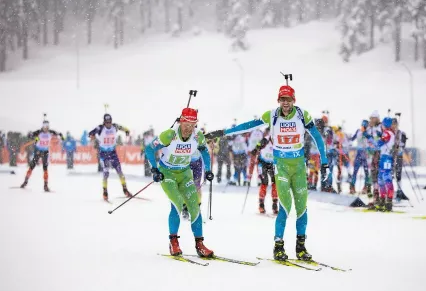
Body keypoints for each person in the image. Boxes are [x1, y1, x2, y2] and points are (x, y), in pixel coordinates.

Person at [205, 84, 328, 261]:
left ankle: (301, 247)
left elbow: (317, 137)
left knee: (301, 208)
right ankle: (278, 246)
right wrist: (223, 132)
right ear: (278, 100)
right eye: (282, 99)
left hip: (299, 167)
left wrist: (324, 162)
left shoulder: (302, 115)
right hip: (282, 166)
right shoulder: (272, 115)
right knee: (285, 206)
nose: (285, 103)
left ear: (294, 100)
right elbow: (248, 126)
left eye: (289, 99)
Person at [145, 107, 214, 257]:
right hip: (167, 173)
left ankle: (199, 244)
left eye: (192, 125)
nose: (189, 128)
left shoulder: (198, 136)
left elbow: (204, 151)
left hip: (184, 173)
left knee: (194, 206)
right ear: (181, 121)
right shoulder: (169, 135)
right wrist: (154, 169)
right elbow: (149, 149)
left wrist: (208, 169)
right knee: (176, 203)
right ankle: (173, 242)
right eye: (186, 124)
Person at [89, 114, 132, 201]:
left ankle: (125, 189)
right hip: (103, 153)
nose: (108, 124)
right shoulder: (100, 128)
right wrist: (92, 138)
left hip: (112, 152)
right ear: (104, 122)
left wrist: (127, 131)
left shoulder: (115, 126)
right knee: (106, 172)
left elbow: (125, 129)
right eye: (107, 122)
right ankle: (105, 191)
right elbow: (90, 133)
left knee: (120, 171)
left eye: (109, 122)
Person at [20, 121, 63, 191]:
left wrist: (61, 135)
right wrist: (32, 135)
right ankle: (25, 182)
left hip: (45, 152)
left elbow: (59, 134)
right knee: (32, 166)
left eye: (47, 126)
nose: (46, 127)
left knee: (45, 168)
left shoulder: (51, 132)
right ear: (43, 126)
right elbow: (30, 135)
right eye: (45, 126)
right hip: (38, 151)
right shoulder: (39, 132)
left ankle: (45, 185)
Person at [365, 118, 395, 211]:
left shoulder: (387, 133)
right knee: (380, 179)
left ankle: (388, 202)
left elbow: (378, 144)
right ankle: (382, 200)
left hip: (386, 158)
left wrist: (369, 137)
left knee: (386, 178)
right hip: (384, 157)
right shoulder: (388, 133)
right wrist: (380, 135)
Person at [250, 131, 278, 214]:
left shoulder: (279, 140)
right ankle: (261, 205)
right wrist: (255, 150)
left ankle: (275, 204)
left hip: (273, 164)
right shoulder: (266, 139)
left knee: (275, 182)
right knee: (264, 182)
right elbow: (258, 145)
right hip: (263, 163)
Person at [366, 111, 382, 208]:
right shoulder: (370, 128)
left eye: (372, 118)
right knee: (373, 175)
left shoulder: (381, 127)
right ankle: (376, 197)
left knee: (380, 175)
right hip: (373, 154)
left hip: (381, 154)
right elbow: (370, 141)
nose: (370, 120)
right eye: (370, 118)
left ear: (377, 118)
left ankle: (381, 198)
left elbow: (381, 142)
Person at [349, 120, 370, 194]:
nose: (363, 127)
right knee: (355, 171)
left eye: (365, 126)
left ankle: (365, 187)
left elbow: (370, 140)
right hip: (359, 152)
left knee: (366, 172)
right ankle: (352, 187)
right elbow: (352, 138)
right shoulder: (359, 131)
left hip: (365, 153)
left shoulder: (368, 132)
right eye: (363, 126)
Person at [391, 118, 409, 201]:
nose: (393, 126)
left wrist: (398, 145)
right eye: (392, 124)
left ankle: (399, 192)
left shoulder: (401, 133)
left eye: (395, 124)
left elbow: (402, 145)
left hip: (398, 156)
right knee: (390, 175)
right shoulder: (390, 133)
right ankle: (390, 192)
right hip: (391, 157)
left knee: (398, 175)